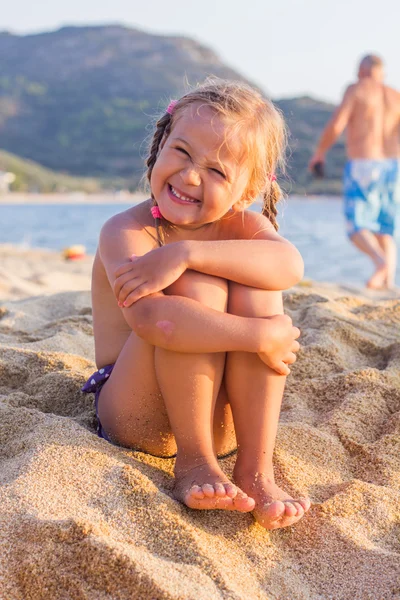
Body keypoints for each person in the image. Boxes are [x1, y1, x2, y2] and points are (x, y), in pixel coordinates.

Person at [82, 79, 311, 530]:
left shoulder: (244, 226)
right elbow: (157, 323)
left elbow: (289, 265)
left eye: (217, 171)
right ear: (160, 142)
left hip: (222, 418)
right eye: (182, 153)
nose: (189, 177)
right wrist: (261, 334)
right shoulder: (125, 232)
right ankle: (194, 462)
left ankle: (254, 468)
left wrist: (185, 252)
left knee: (260, 284)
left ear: (247, 191)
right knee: (197, 291)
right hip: (137, 415)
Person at [309, 54, 400, 289]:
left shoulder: (357, 89)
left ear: (361, 71)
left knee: (356, 226)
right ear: (382, 72)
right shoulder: (395, 96)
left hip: (363, 164)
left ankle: (380, 264)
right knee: (384, 228)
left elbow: (337, 124)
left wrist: (319, 152)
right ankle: (388, 285)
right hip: (392, 167)